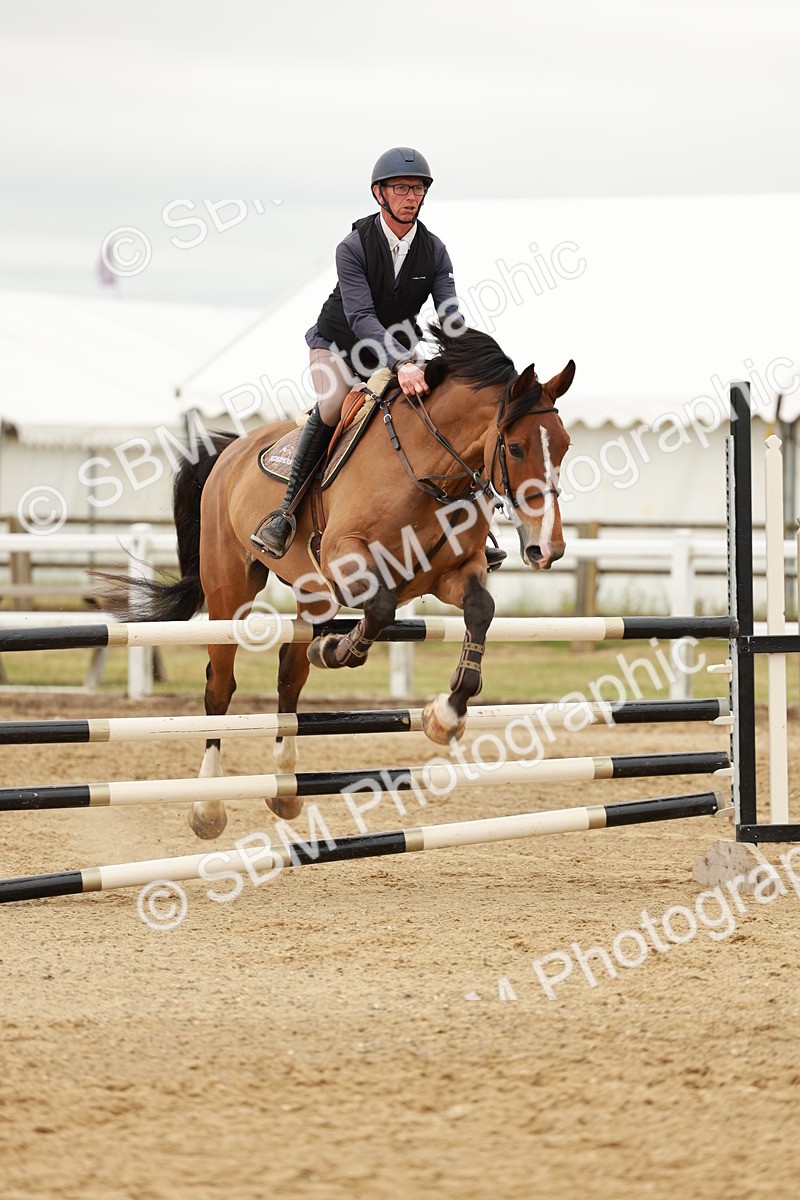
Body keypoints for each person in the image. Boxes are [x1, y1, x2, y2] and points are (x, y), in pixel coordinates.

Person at [250, 146, 505, 570]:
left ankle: (476, 524)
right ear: (379, 194)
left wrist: (472, 360)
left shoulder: (435, 250)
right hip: (338, 346)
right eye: (401, 188)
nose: (411, 196)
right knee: (333, 404)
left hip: (395, 350)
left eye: (418, 188)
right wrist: (401, 364)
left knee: (444, 408)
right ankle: (285, 511)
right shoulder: (353, 247)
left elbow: (450, 315)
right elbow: (361, 316)